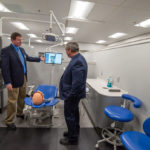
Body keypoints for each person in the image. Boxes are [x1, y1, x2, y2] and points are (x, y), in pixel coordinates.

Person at [1, 32, 45, 130]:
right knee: (12, 100)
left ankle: (19, 113)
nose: (20, 41)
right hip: (13, 80)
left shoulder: (22, 50)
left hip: (23, 78)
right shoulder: (6, 51)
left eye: (21, 39)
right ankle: (9, 121)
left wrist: (39, 59)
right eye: (18, 40)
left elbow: (28, 58)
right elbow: (5, 68)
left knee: (22, 97)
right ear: (12, 40)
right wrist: (8, 82)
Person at [59, 42, 88, 145]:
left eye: (66, 50)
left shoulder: (78, 61)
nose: (66, 52)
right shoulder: (77, 59)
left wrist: (69, 95)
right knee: (74, 114)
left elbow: (77, 83)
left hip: (72, 95)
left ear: (69, 50)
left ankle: (72, 139)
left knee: (70, 115)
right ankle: (74, 132)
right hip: (74, 94)